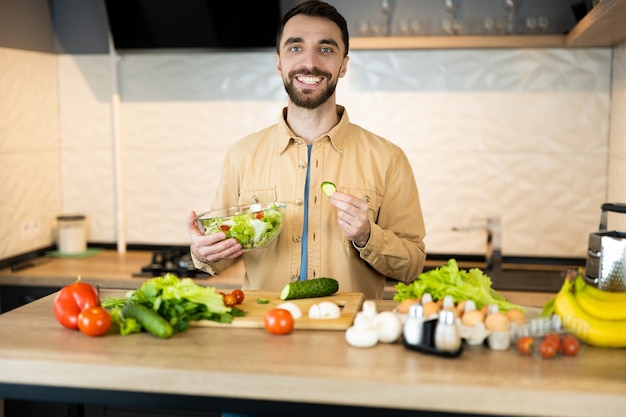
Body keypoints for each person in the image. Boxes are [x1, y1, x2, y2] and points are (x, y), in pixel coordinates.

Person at [187, 0, 426, 301]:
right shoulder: (241, 155)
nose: (310, 62)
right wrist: (203, 252)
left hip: (349, 335)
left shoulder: (388, 159)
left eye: (325, 49)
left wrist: (367, 236)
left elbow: (413, 265)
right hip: (267, 329)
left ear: (344, 65)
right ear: (279, 63)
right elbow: (220, 255)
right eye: (295, 48)